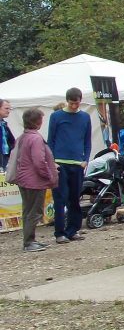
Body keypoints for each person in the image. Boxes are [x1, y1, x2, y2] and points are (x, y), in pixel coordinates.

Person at [48, 87, 92, 244]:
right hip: (60, 163)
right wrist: (52, 160)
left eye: (77, 103)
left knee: (74, 198)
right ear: (67, 101)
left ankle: (73, 229)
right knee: (60, 198)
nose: (74, 106)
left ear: (81, 100)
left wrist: (86, 159)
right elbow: (51, 140)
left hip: (77, 163)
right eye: (72, 103)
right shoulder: (56, 116)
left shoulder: (85, 117)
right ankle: (59, 232)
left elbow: (87, 141)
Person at [10, 108, 57, 252]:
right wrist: (48, 175)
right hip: (34, 180)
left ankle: (30, 240)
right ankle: (29, 242)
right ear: (38, 121)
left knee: (27, 210)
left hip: (24, 178)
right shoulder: (36, 138)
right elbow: (38, 161)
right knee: (34, 211)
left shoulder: (23, 137)